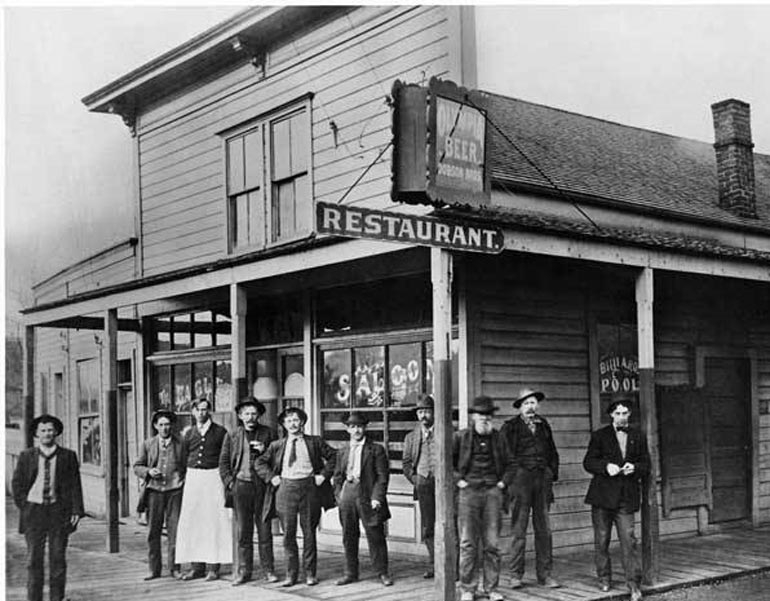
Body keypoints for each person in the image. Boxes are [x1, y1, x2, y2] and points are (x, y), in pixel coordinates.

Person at [255, 407, 336, 587]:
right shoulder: (277, 445)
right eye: (288, 420)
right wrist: (272, 477)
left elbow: (334, 457)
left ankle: (310, 574)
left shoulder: (314, 442)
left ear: (303, 422)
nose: (293, 423)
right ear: (284, 425)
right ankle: (291, 575)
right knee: (288, 534)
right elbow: (259, 462)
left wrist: (323, 476)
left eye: (296, 419)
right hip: (286, 489)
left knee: (309, 533)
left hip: (309, 488)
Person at [12, 414, 85, 601]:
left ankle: (56, 598)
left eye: (50, 430)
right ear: (36, 434)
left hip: (57, 513)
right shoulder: (26, 456)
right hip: (34, 514)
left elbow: (75, 485)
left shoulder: (68, 456)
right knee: (33, 561)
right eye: (43, 430)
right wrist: (26, 506)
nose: (47, 433)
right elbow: (17, 484)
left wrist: (76, 510)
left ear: (56, 432)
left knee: (58, 559)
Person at [583, 400, 650, 601]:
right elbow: (588, 462)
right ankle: (604, 578)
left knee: (629, 541)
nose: (622, 416)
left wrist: (635, 468)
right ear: (611, 414)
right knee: (602, 540)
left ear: (629, 414)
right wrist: (606, 467)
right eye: (618, 413)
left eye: (625, 413)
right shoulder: (599, 435)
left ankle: (634, 585)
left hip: (626, 497)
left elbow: (646, 464)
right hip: (603, 497)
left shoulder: (638, 435)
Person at [453, 396, 515, 601]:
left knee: (492, 544)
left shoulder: (499, 438)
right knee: (468, 543)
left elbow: (511, 465)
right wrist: (459, 481)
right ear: (473, 416)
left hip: (492, 494)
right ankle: (468, 589)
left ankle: (491, 588)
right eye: (481, 415)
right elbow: (446, 463)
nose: (484, 419)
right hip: (468, 494)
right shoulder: (461, 438)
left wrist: (501, 484)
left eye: (488, 415)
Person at [500, 387, 561, 589]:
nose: (530, 407)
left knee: (544, 530)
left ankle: (545, 575)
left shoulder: (544, 425)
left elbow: (552, 452)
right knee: (519, 530)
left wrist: (551, 472)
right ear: (520, 407)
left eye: (533, 403)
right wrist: (513, 477)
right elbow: (504, 456)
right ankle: (515, 575)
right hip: (520, 483)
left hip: (542, 481)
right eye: (526, 403)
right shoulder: (510, 427)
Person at [219, 397, 278, 586]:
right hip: (241, 486)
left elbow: (278, 460)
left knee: (264, 530)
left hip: (262, 487)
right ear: (240, 415)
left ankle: (268, 570)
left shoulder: (268, 433)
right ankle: (245, 571)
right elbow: (224, 462)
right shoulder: (233, 435)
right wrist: (230, 482)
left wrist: (265, 451)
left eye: (254, 413)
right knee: (243, 531)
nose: (250, 417)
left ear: (259, 415)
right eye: (246, 413)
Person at [333, 412, 393, 587]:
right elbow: (337, 476)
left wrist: (377, 497)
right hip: (348, 495)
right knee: (349, 535)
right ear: (347, 429)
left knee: (375, 535)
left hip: (368, 495)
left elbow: (382, 477)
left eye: (359, 426)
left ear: (365, 428)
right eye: (352, 427)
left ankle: (382, 572)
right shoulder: (342, 450)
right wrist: (339, 496)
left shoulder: (376, 449)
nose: (356, 430)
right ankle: (350, 573)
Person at [176, 397, 232, 581]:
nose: (202, 413)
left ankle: (213, 567)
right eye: (198, 410)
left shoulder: (220, 432)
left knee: (212, 521)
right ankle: (196, 567)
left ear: (209, 411)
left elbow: (226, 458)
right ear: (193, 411)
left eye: (205, 409)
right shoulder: (189, 433)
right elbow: (182, 459)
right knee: (193, 521)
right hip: (193, 479)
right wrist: (184, 478)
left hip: (213, 478)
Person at [134, 409, 186, 581]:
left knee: (175, 531)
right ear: (156, 426)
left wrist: (182, 481)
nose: (164, 428)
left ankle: (174, 568)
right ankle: (153, 569)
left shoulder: (180, 443)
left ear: (172, 426)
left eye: (167, 424)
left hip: (175, 491)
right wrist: (148, 471)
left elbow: (186, 466)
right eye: (161, 425)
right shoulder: (148, 444)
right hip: (154, 493)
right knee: (153, 532)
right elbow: (137, 466)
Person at [402, 393, 437, 579]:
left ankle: (451, 565)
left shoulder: (446, 432)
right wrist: (415, 480)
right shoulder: (411, 438)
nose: (423, 416)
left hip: (443, 486)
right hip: (423, 484)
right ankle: (434, 565)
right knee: (428, 527)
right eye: (420, 412)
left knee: (450, 525)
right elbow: (406, 464)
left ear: (434, 413)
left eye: (427, 411)